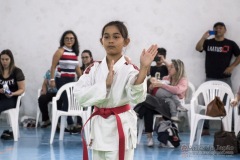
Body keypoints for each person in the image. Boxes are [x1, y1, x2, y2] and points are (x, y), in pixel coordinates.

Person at [73, 21, 158, 160]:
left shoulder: (130, 68)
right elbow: (79, 95)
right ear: (102, 41)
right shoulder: (93, 68)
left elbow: (137, 97)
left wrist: (143, 68)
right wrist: (105, 85)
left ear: (126, 41)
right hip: (99, 127)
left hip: (121, 127)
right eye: (106, 37)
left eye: (116, 37)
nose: (111, 41)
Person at [195, 22, 240, 135]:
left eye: (221, 28)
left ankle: (227, 127)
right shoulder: (208, 42)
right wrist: (203, 37)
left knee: (228, 103)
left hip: (225, 79)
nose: (218, 30)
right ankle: (205, 128)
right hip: (210, 78)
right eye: (216, 28)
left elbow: (239, 55)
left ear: (225, 30)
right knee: (207, 102)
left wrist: (232, 66)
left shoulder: (230, 44)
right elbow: (198, 48)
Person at [137, 59, 188, 147]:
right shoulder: (165, 78)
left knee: (147, 105)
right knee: (148, 106)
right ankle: (149, 137)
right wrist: (152, 87)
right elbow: (158, 92)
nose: (169, 68)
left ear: (178, 69)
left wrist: (161, 85)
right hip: (161, 104)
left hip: (172, 108)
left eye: (171, 67)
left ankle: (137, 111)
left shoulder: (183, 80)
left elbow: (177, 90)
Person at [49, 30, 82, 132]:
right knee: (67, 100)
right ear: (63, 40)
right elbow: (53, 66)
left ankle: (60, 122)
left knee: (71, 101)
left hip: (72, 80)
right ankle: (70, 124)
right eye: (67, 38)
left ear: (74, 40)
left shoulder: (74, 52)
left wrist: (82, 78)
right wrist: (52, 79)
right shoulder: (60, 51)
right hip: (61, 80)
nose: (69, 40)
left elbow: (76, 67)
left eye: (71, 38)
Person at [0, 49, 25, 140]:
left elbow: (22, 89)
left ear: (11, 60)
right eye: (2, 59)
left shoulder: (17, 71)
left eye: (6, 59)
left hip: (13, 98)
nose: (4, 62)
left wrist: (13, 93)